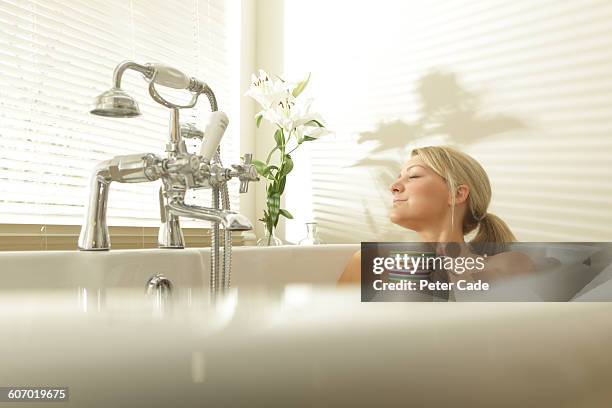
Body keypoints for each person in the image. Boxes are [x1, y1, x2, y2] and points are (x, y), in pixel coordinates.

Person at [337, 145, 535, 284]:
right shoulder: (368, 263)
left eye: (413, 176)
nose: (394, 187)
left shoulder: (509, 265)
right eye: (398, 178)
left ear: (456, 193)